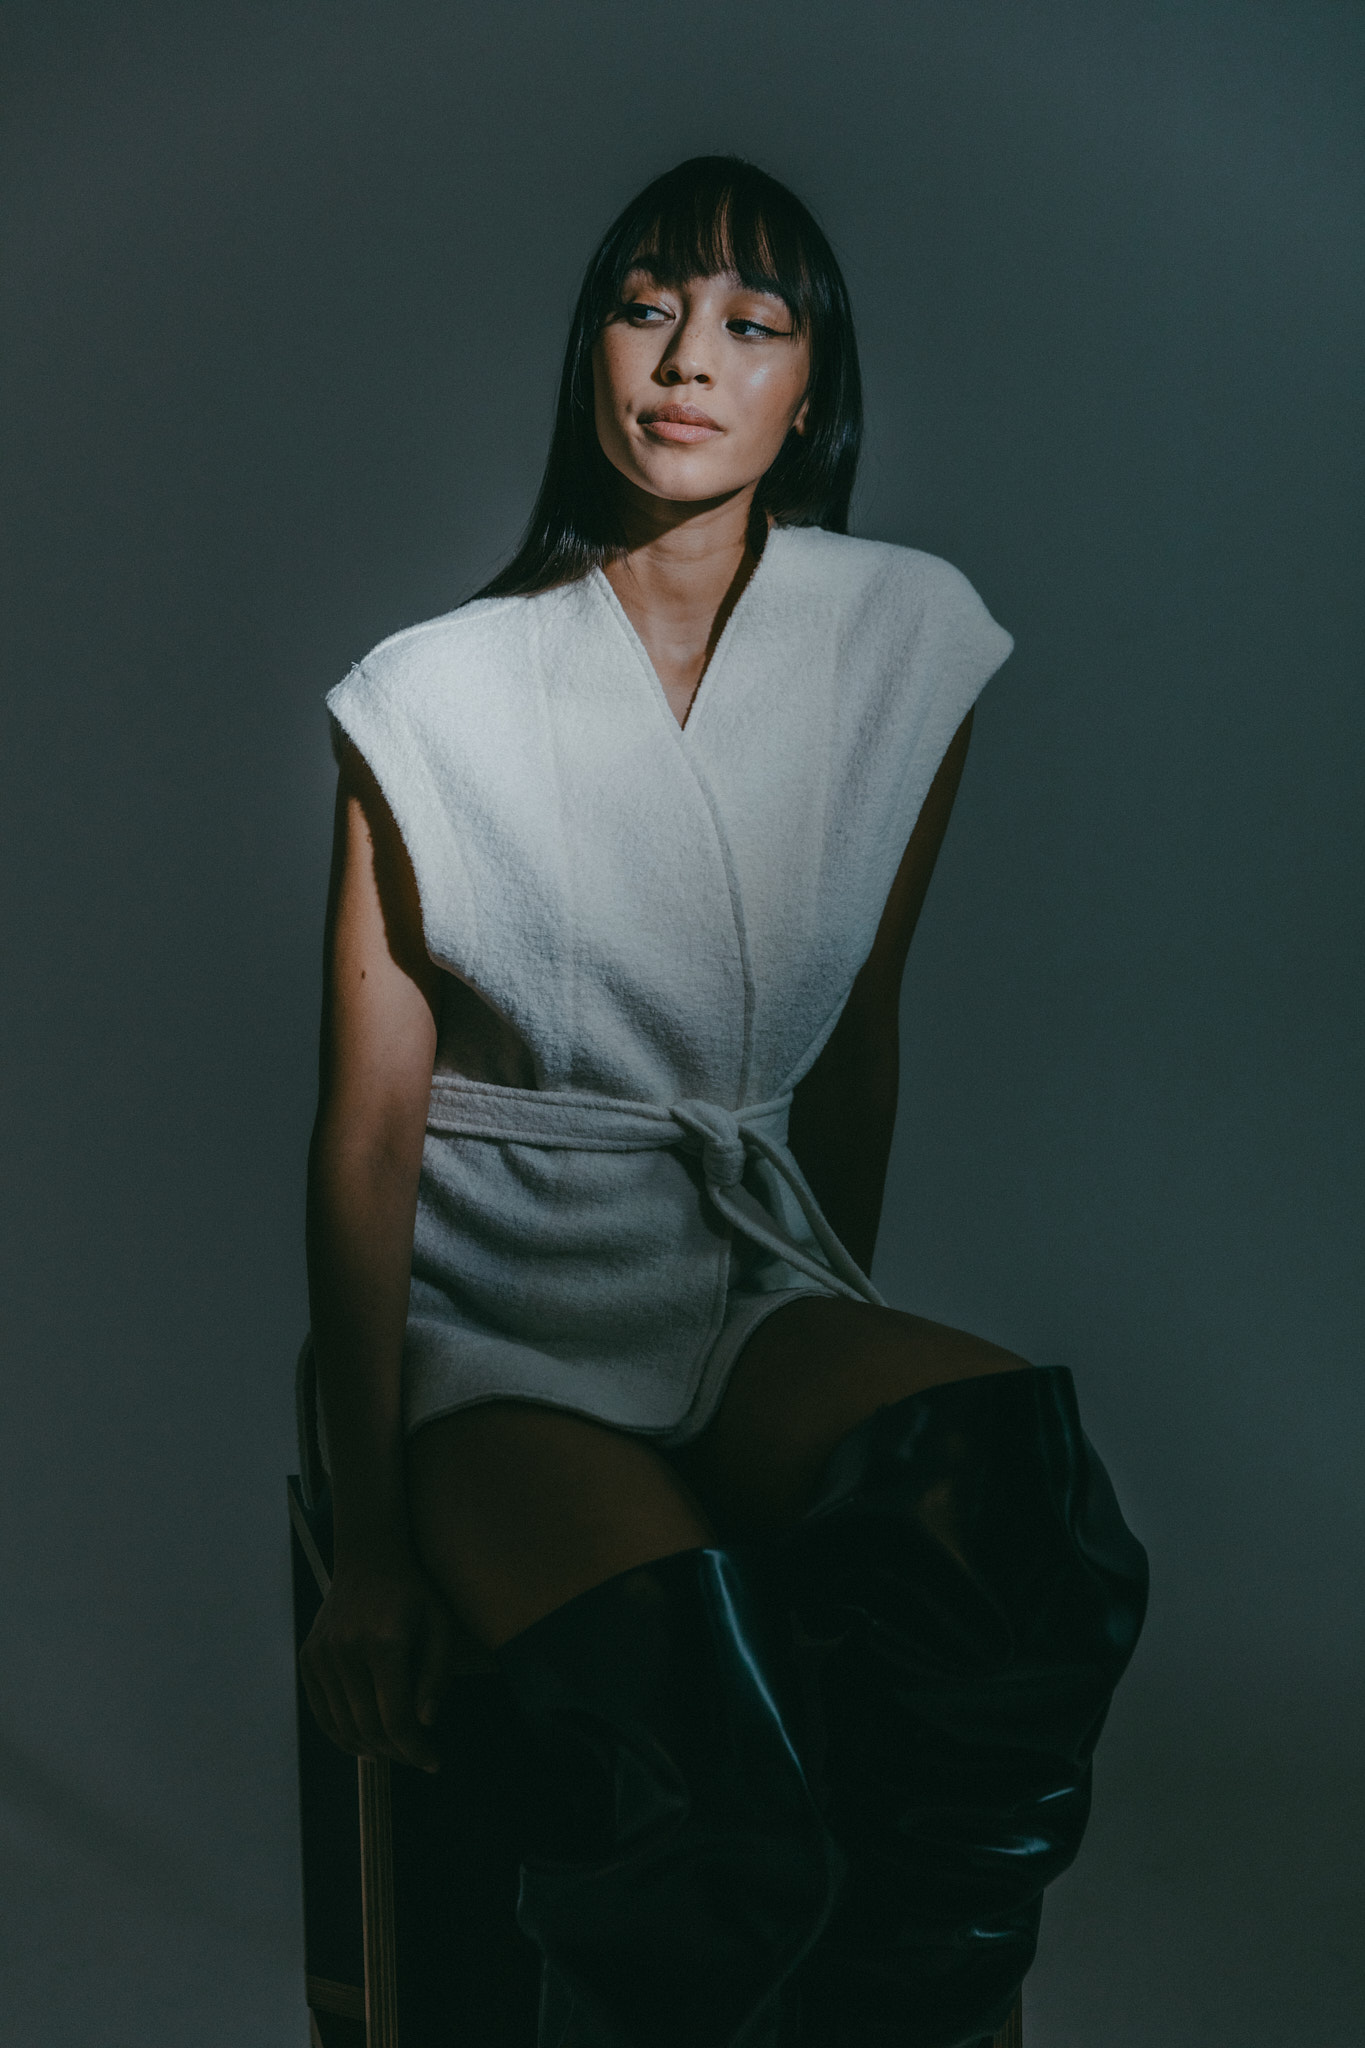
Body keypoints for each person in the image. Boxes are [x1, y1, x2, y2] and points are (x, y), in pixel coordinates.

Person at [299, 155, 1148, 2048]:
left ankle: (911, 2020)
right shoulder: (430, 695)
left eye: (750, 325)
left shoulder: (898, 638)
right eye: (647, 309)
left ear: (809, 387)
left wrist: (820, 1362)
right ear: (591, 354)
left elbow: (855, 1039)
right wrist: (369, 1538)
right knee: (704, 1786)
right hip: (494, 1312)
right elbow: (366, 1140)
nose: (688, 359)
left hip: (740, 1271)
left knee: (1014, 1510)